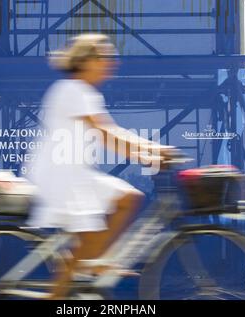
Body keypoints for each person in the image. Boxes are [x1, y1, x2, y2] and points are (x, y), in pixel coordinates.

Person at [25, 33, 171, 299]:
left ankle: (88, 265)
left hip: (74, 173)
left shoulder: (84, 92)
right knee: (89, 235)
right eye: (104, 57)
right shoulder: (72, 89)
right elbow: (106, 133)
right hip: (59, 175)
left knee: (128, 198)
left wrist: (148, 151)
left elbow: (109, 133)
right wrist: (151, 151)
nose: (111, 63)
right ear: (85, 61)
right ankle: (65, 287)